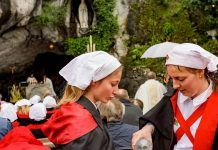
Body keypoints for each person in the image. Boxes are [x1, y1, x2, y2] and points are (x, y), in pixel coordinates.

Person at [132, 43, 218, 150]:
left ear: (200, 71)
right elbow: (157, 120)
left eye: (181, 79)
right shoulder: (172, 98)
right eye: (172, 78)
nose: (175, 85)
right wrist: (148, 129)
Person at [42, 51, 122, 150]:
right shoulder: (81, 120)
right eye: (113, 84)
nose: (116, 91)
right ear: (95, 80)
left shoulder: (79, 112)